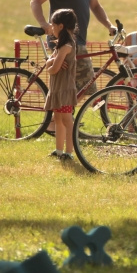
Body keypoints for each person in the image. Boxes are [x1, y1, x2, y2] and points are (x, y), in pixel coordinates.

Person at [30, 0, 122, 128]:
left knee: (70, 85)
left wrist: (109, 25)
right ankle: (60, 121)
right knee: (88, 84)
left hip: (78, 40)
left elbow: (95, 5)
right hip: (64, 41)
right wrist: (44, 24)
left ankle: (58, 121)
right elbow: (36, 1)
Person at [44, 9, 78, 160]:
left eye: (53, 25)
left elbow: (53, 69)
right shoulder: (60, 46)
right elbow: (50, 62)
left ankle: (69, 152)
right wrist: (51, 62)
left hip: (64, 89)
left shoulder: (66, 46)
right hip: (57, 88)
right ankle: (59, 150)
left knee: (66, 120)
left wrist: (51, 66)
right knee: (58, 118)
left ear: (61, 26)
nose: (51, 28)